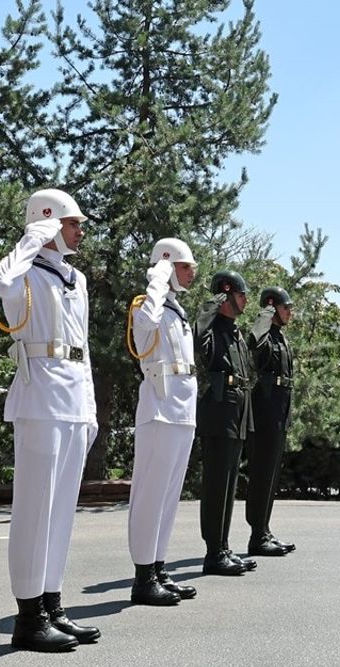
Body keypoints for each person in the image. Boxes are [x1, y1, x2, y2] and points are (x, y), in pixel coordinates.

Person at [0, 188, 100, 651]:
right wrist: (32, 238)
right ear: (50, 224)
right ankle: (28, 616)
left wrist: (91, 409)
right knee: (34, 511)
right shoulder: (23, 274)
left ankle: (52, 603)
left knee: (59, 514)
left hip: (74, 399)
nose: (80, 230)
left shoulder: (75, 278)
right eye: (72, 223)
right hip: (39, 399)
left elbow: (84, 350)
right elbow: (1, 284)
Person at [126, 238, 200, 605]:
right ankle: (142, 578)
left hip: (182, 410)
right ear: (168, 267)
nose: (192, 272)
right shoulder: (149, 306)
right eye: (184, 266)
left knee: (169, 497)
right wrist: (157, 280)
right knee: (151, 496)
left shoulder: (178, 311)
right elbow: (145, 325)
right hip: (159, 408)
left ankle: (157, 568)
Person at [194, 270, 255, 576]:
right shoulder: (212, 328)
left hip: (237, 411)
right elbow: (201, 347)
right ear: (226, 295)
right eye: (241, 294)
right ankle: (213, 552)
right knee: (217, 484)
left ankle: (223, 546)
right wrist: (209, 308)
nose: (245, 300)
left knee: (229, 484)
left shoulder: (235, 331)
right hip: (219, 412)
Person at [246, 287, 298, 557]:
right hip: (265, 408)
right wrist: (264, 316)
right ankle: (257, 535)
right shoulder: (264, 336)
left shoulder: (281, 337)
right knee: (262, 472)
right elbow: (254, 344)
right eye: (285, 307)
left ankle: (264, 529)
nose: (290, 312)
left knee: (272, 473)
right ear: (272, 308)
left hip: (279, 407)